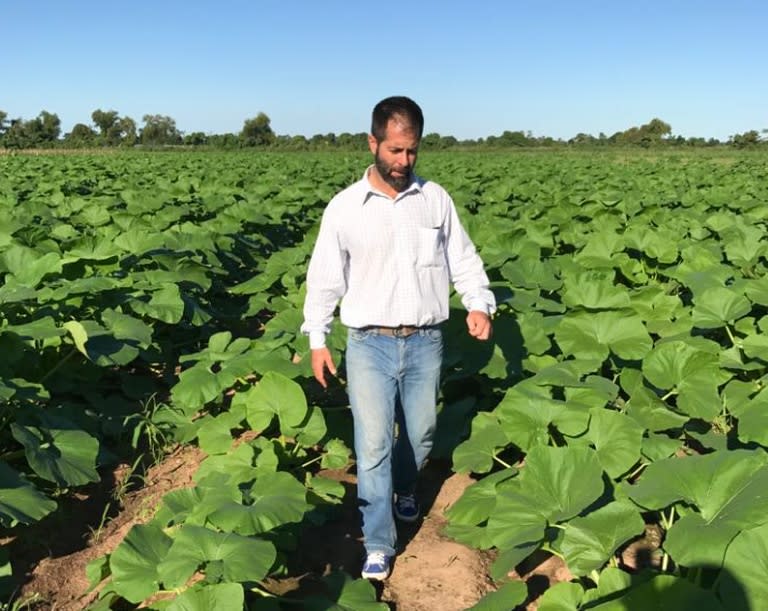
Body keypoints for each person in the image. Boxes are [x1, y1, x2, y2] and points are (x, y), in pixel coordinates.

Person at [301, 96, 495, 581]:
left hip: (426, 339)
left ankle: (407, 487)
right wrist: (318, 339)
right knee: (372, 446)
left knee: (421, 433)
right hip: (368, 343)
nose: (403, 162)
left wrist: (478, 302)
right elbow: (324, 277)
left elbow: (463, 258)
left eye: (411, 152)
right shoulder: (345, 208)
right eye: (394, 151)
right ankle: (379, 542)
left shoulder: (435, 200)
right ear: (373, 143)